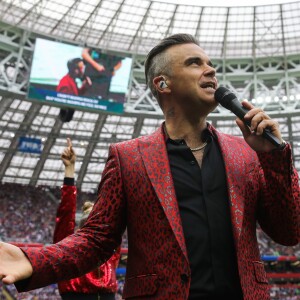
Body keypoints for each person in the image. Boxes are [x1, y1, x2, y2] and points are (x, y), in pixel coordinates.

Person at [0, 34, 299, 300]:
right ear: (162, 83)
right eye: (195, 63)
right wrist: (31, 259)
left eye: (210, 64)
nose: (211, 70)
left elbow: (290, 231)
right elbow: (95, 239)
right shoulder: (128, 157)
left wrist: (275, 156)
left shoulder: (246, 154)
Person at [54, 138, 120, 300]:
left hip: (107, 295)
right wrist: (69, 170)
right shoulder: (69, 246)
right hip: (76, 294)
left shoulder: (108, 249)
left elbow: (116, 214)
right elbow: (66, 215)